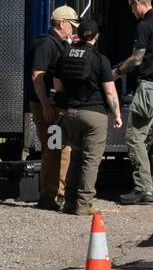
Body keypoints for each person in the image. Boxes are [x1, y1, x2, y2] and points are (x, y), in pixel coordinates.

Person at [52, 17, 122, 216]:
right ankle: (83, 204)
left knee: (75, 157)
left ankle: (69, 202)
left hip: (71, 113)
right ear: (97, 36)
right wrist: (117, 114)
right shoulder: (100, 59)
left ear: (79, 33)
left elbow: (58, 86)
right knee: (91, 160)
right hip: (94, 114)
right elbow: (110, 92)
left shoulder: (65, 54)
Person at [113, 0, 153, 204]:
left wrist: (118, 71)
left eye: (132, 7)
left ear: (137, 3)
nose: (132, 12)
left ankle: (143, 188)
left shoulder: (144, 25)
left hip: (150, 88)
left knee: (134, 136)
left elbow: (138, 58)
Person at [26, 5, 76, 211]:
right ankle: (48, 196)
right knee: (53, 150)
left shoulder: (60, 44)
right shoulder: (46, 45)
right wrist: (46, 106)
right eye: (71, 25)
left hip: (57, 107)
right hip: (49, 107)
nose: (73, 29)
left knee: (62, 149)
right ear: (61, 23)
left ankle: (59, 193)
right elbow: (37, 76)